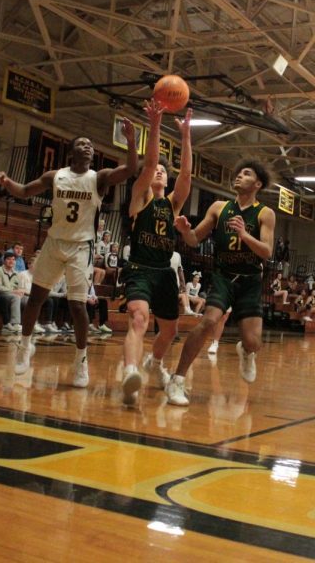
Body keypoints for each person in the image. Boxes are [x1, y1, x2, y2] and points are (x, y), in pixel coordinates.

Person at [0, 123, 139, 387]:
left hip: (81, 247)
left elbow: (130, 170)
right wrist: (7, 182)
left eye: (91, 146)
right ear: (71, 153)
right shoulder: (55, 176)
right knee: (36, 298)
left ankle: (81, 360)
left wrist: (131, 142)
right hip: (54, 242)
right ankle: (25, 346)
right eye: (82, 143)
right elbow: (26, 191)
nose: (88, 147)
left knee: (77, 306)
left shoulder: (99, 178)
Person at [167, 158, 276, 406]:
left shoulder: (265, 213)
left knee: (252, 342)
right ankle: (177, 379)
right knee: (208, 321)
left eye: (246, 174)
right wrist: (184, 231)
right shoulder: (218, 207)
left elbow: (267, 252)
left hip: (250, 281)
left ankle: (246, 352)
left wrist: (244, 235)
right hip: (223, 276)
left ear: (257, 183)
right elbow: (194, 240)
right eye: (238, 173)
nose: (239, 176)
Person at [119, 101, 192, 404]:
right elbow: (148, 166)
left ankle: (155, 362)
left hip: (164, 273)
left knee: (170, 331)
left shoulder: (172, 205)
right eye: (157, 170)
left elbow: (186, 175)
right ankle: (130, 373)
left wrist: (186, 136)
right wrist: (155, 124)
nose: (159, 171)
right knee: (139, 319)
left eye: (164, 170)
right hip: (139, 269)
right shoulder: (141, 197)